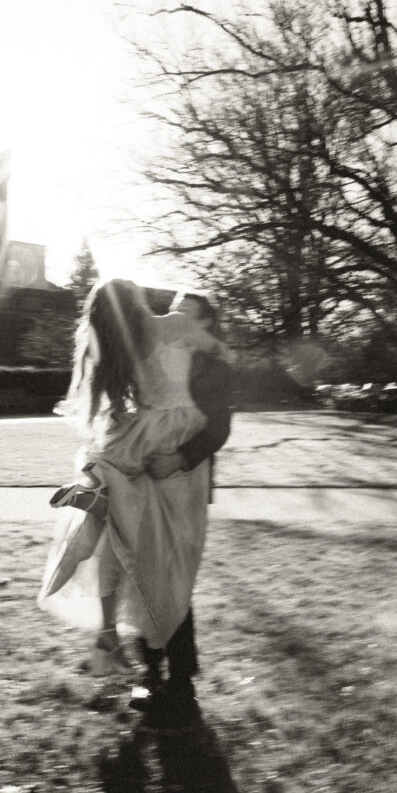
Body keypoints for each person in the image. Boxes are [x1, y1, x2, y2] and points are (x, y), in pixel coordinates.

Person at [37, 279, 229, 677]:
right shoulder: (170, 326)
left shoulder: (115, 342)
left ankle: (99, 493)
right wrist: (210, 346)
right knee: (158, 559)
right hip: (173, 431)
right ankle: (157, 664)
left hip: (134, 437)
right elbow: (220, 351)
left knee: (122, 540)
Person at [129, 292, 232, 723]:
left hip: (186, 478)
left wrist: (179, 458)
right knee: (145, 568)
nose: (173, 319)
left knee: (175, 575)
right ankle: (151, 671)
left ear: (206, 323)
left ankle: (181, 679)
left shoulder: (215, 363)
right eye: (171, 311)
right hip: (144, 473)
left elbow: (219, 428)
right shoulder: (151, 354)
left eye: (186, 313)